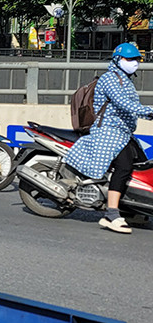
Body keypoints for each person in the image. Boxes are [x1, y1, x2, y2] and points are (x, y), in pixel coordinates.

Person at [65, 43, 153, 234]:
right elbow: (122, 103)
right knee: (124, 167)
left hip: (124, 132)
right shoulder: (110, 79)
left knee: (142, 165)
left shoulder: (125, 79)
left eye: (137, 59)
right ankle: (111, 214)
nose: (134, 63)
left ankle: (130, 209)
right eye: (130, 59)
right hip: (108, 132)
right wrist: (149, 111)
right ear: (118, 60)